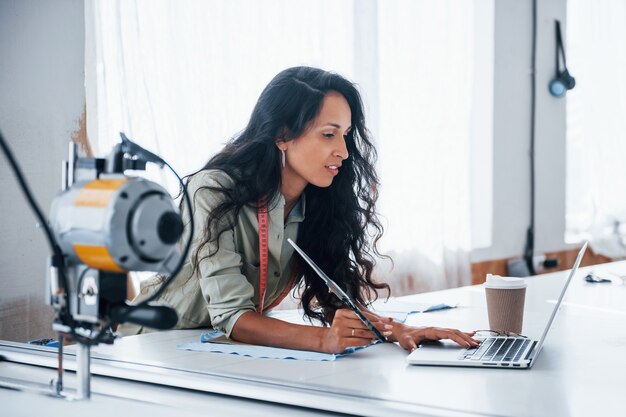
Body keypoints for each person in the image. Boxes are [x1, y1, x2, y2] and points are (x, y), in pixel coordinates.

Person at [125, 66, 478, 353]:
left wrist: (398, 329)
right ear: (282, 134)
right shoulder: (213, 191)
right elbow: (234, 317)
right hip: (151, 347)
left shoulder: (318, 200)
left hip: (218, 351)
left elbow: (335, 302)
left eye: (346, 135)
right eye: (328, 135)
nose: (343, 150)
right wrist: (324, 339)